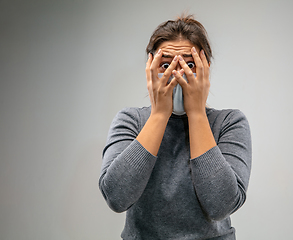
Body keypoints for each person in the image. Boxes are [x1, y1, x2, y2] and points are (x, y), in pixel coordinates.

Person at [99, 15, 252, 240]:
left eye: (190, 65)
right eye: (165, 64)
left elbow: (221, 205)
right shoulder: (130, 120)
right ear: (150, 70)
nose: (177, 74)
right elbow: (116, 197)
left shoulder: (229, 123)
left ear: (205, 71)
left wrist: (197, 114)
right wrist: (160, 113)